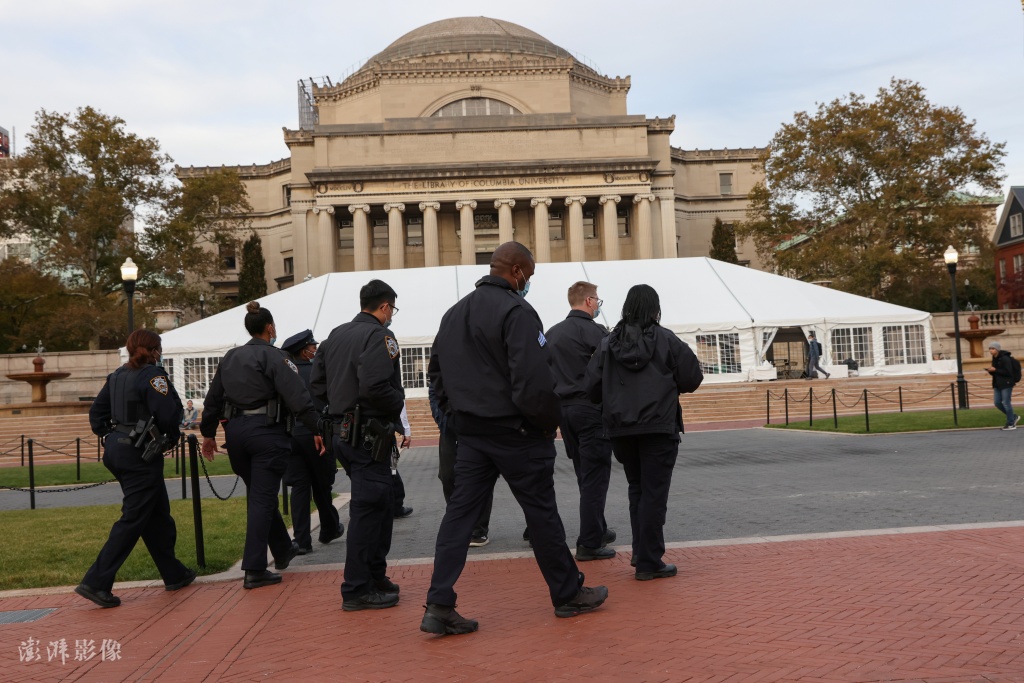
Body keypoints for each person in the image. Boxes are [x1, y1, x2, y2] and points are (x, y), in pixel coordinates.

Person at [421, 241, 608, 636]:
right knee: (542, 515)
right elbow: (533, 380)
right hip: (516, 432)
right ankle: (567, 593)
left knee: (458, 518)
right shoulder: (518, 311)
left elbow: (435, 374)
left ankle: (439, 601)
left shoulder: (454, 313)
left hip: (472, 433)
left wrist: (452, 420)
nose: (529, 283)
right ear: (518, 271)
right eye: (530, 276)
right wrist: (544, 423)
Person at [200, 302, 323, 590]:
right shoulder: (275, 357)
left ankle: (283, 549)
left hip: (236, 436)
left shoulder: (230, 357)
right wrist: (318, 428)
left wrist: (208, 433)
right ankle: (254, 568)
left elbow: (213, 398)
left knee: (260, 495)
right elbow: (298, 397)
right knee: (261, 499)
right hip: (266, 434)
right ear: (270, 328)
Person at [586, 284, 703, 581]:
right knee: (653, 494)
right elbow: (692, 376)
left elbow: (592, 387)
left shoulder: (608, 342)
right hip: (658, 427)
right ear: (654, 308)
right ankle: (649, 560)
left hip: (622, 429)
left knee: (637, 489)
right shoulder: (665, 339)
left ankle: (642, 554)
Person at [76, 329, 196, 608]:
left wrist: (115, 434)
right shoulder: (154, 376)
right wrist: (166, 437)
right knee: (133, 518)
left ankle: (173, 573)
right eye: (160, 348)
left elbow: (97, 415)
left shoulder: (117, 375)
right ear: (154, 350)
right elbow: (168, 414)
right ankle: (96, 581)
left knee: (157, 514)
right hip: (140, 455)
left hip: (118, 449)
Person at [310, 280, 405, 612]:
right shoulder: (381, 336)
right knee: (369, 509)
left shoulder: (335, 335)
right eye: (391, 309)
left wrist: (340, 406)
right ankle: (356, 587)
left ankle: (375, 575)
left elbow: (317, 385)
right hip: (367, 433)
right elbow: (378, 385)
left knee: (379, 505)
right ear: (384, 307)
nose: (392, 315)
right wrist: (397, 404)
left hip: (342, 432)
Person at [545, 281, 616, 561]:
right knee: (595, 476)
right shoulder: (597, 332)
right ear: (588, 301)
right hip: (591, 409)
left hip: (564, 411)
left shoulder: (551, 333)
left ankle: (596, 527)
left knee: (583, 472)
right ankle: (589, 542)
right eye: (597, 299)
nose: (598, 304)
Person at [281, 329, 344, 554]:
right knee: (321, 485)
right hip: (316, 431)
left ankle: (301, 540)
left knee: (299, 487)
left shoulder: (285, 371)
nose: (315, 350)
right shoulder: (318, 370)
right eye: (312, 347)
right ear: (304, 351)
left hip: (291, 434)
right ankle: (328, 527)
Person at [429, 381, 493, 547]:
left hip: (477, 423)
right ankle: (460, 522)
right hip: (448, 425)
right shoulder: (444, 356)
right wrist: (439, 416)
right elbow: (434, 389)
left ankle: (479, 529)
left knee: (480, 476)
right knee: (447, 475)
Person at [986, 341, 1019, 431]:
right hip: (998, 383)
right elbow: (997, 373)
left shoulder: (1005, 358)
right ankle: (1013, 417)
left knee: (1006, 403)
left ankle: (1011, 424)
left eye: (993, 349)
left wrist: (995, 370)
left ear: (997, 349)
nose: (991, 351)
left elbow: (1008, 372)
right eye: (990, 349)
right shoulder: (994, 358)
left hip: (1006, 383)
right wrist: (991, 371)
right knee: (997, 403)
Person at [392, 404, 414, 519]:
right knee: (391, 470)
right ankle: (396, 506)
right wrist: (406, 430)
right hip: (382, 431)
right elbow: (400, 403)